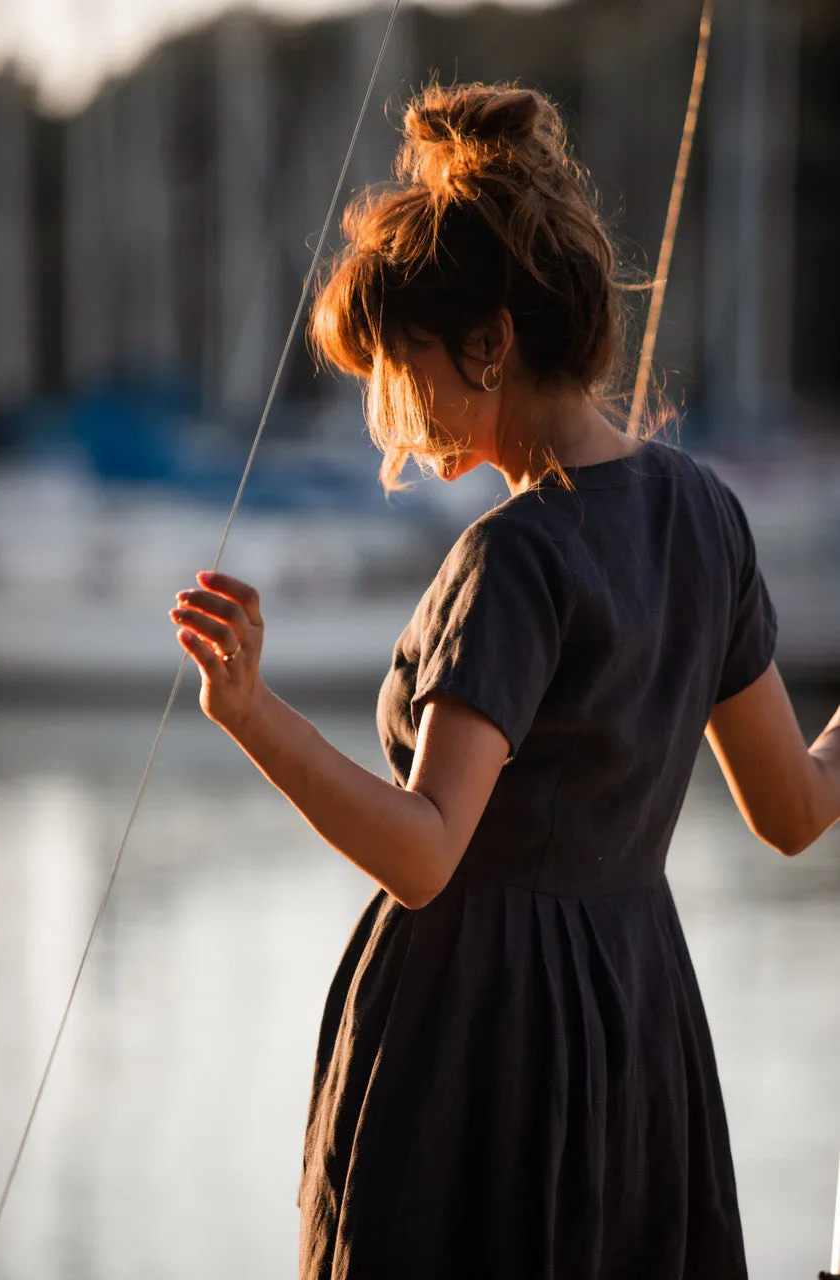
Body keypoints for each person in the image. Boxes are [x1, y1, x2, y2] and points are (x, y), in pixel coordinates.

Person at [168, 82, 840, 1279]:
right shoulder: (706, 512)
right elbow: (792, 809)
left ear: (488, 340)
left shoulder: (515, 553)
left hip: (481, 1057)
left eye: (397, 360)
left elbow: (426, 852)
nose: (389, 406)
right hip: (635, 1032)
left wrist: (249, 708)